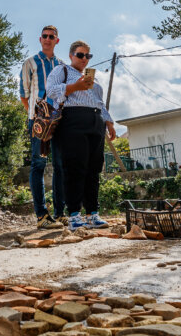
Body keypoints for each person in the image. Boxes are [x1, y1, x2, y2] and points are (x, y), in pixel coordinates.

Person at [46, 41, 116, 230]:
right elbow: (51, 91)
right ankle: (74, 215)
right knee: (75, 168)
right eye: (80, 55)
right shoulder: (62, 71)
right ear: (71, 55)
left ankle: (93, 213)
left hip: (95, 121)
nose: (84, 59)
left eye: (88, 56)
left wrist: (108, 122)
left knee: (94, 169)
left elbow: (99, 102)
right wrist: (75, 87)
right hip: (72, 119)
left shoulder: (92, 77)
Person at [19, 24, 65, 230]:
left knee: (61, 166)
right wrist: (36, 117)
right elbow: (24, 94)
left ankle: (60, 213)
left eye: (51, 36)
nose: (47, 39)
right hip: (38, 121)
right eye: (44, 36)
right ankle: (42, 215)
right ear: (40, 39)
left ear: (57, 40)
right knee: (38, 165)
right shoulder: (30, 63)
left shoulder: (62, 65)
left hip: (60, 121)